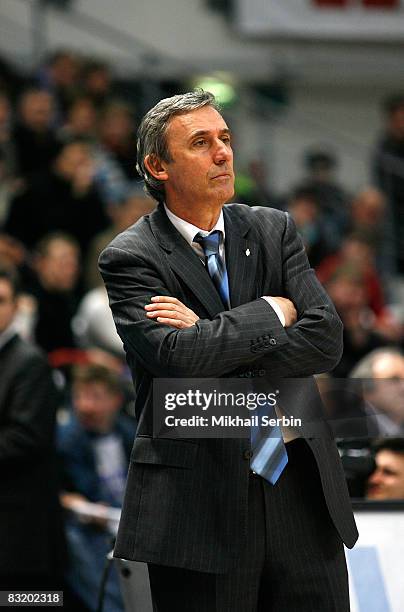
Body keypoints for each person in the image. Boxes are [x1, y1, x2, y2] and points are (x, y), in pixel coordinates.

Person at [99, 90, 358, 611]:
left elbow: (326, 341)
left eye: (225, 139)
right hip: (197, 506)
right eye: (200, 143)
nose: (222, 153)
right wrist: (270, 312)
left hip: (299, 490)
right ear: (157, 166)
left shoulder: (272, 228)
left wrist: (210, 333)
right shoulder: (131, 256)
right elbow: (176, 358)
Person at [0, 264, 65, 589]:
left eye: (1, 300)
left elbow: (25, 438)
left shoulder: (29, 362)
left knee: (25, 601)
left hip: (20, 530)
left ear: (15, 307)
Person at [57, 364, 135, 612]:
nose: (84, 406)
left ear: (116, 400)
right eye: (79, 396)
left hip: (130, 517)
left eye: (95, 397)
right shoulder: (66, 440)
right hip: (91, 525)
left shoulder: (129, 432)